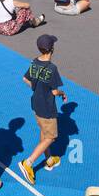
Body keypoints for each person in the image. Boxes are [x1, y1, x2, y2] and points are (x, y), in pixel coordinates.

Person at [17, 33, 64, 184]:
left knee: (44, 132)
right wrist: (63, 93)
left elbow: (25, 78)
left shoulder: (34, 62)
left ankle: (49, 159)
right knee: (51, 137)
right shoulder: (52, 68)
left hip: (36, 104)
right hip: (47, 107)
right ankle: (28, 163)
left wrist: (36, 88)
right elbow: (55, 91)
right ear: (52, 49)